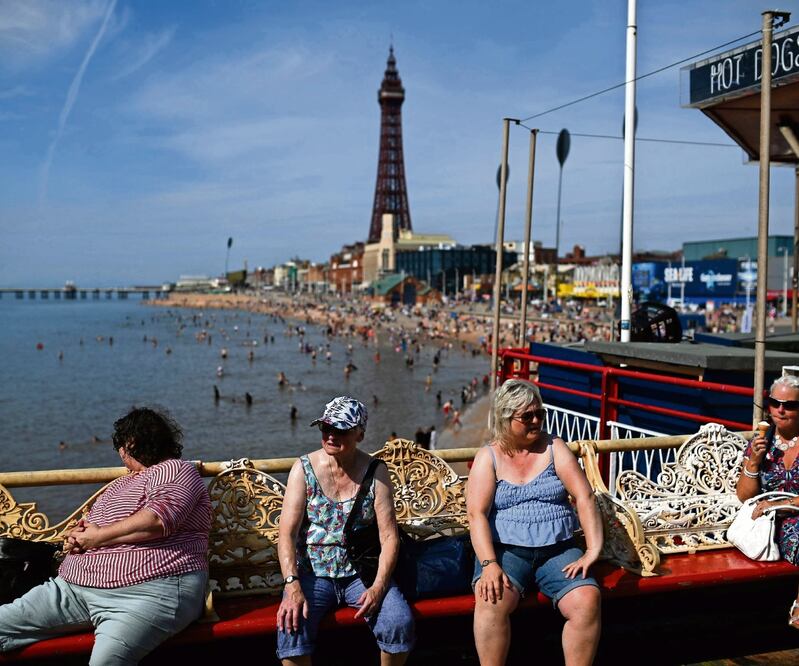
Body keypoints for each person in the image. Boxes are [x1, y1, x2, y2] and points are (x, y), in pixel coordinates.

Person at [0, 407, 211, 665]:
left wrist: (98, 538)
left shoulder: (175, 470)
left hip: (146, 593)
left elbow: (158, 519)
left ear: (130, 444)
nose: (121, 456)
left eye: (120, 448)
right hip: (74, 590)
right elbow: (91, 529)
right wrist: (75, 538)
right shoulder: (120, 485)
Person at [467, 379, 602, 666]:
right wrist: (489, 565)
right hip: (506, 552)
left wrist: (592, 551)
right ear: (506, 418)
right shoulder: (488, 457)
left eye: (539, 413)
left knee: (587, 600)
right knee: (490, 602)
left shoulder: (554, 447)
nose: (536, 421)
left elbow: (584, 496)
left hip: (558, 551)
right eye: (527, 416)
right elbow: (476, 514)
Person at [276, 396, 414, 664]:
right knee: (291, 627)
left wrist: (378, 586)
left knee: (398, 621)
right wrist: (292, 586)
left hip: (360, 573)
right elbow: (287, 534)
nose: (330, 435)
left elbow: (389, 537)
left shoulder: (376, 471)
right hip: (312, 573)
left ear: (360, 434)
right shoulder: (303, 469)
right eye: (326, 428)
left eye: (340, 430)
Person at [737, 374, 799, 628]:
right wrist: (753, 461)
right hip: (768, 523)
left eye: (790, 405)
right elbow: (744, 496)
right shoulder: (761, 443)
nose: (781, 410)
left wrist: (779, 505)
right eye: (775, 403)